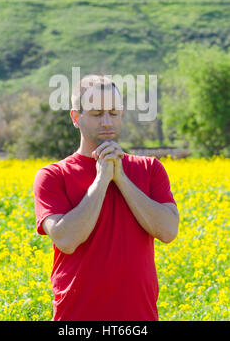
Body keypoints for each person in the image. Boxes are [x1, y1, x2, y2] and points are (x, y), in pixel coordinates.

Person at [33, 74, 179, 321]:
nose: (107, 121)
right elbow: (66, 240)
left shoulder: (150, 168)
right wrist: (101, 181)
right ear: (76, 118)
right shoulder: (53, 175)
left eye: (113, 112)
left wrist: (121, 178)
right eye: (97, 113)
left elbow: (168, 231)